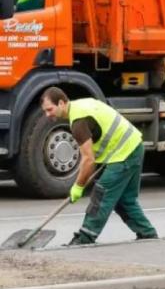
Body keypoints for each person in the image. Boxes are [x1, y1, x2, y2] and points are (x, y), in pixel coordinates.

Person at [40, 87, 158, 245]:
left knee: (102, 193)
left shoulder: (78, 122)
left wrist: (78, 186)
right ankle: (148, 234)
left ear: (61, 103)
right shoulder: (80, 105)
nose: (48, 115)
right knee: (124, 200)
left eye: (50, 109)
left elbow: (88, 159)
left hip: (124, 152)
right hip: (134, 145)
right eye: (45, 111)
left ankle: (85, 237)